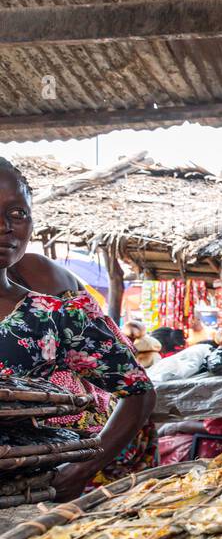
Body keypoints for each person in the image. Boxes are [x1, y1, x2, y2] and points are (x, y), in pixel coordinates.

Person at [0, 157, 155, 498]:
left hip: (23, 496)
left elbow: (139, 391)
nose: (5, 227)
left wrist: (80, 469)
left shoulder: (51, 314)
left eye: (18, 214)